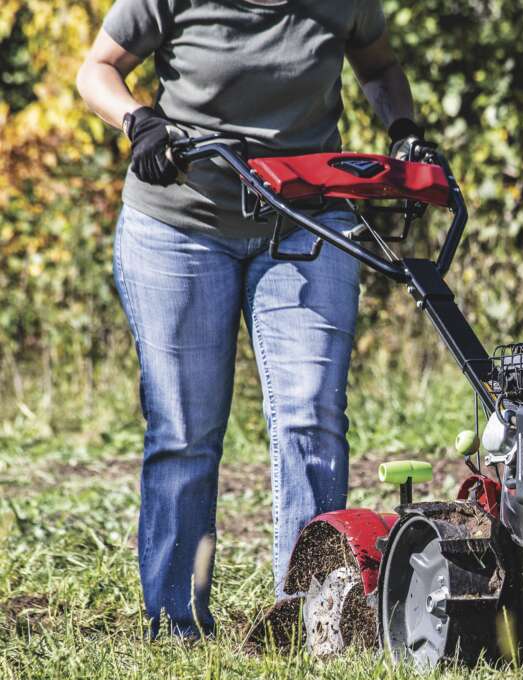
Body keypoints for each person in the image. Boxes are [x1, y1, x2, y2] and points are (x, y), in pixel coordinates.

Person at [76, 0, 423, 639]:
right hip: (179, 223)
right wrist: (140, 122)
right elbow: (97, 68)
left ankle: (312, 619)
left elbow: (379, 67)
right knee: (184, 428)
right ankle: (177, 622)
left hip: (306, 217)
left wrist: (403, 128)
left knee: (309, 416)